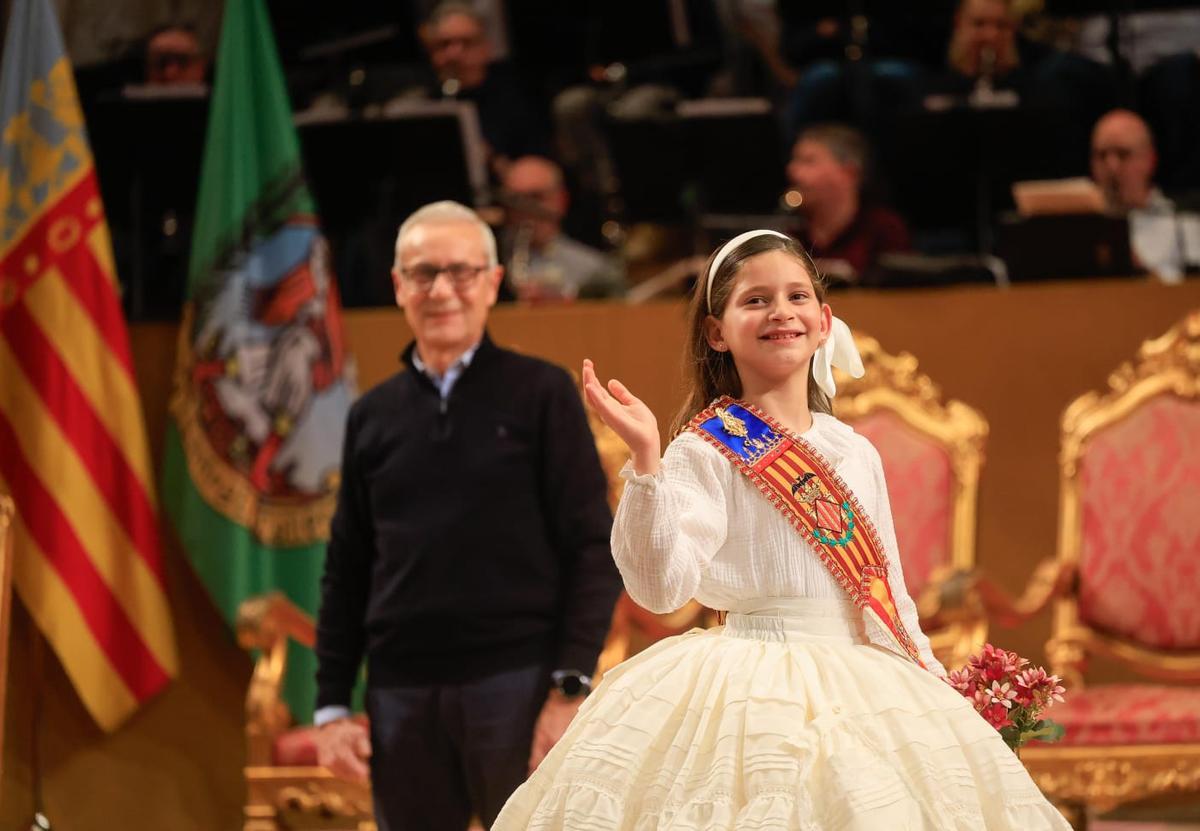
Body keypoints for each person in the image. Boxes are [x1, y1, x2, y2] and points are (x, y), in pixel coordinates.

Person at [494, 229, 1072, 829]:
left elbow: (886, 588)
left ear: (823, 321)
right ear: (717, 332)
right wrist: (647, 461)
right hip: (746, 687)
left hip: (862, 685)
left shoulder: (853, 451)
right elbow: (660, 590)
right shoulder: (706, 450)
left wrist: (932, 683)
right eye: (755, 300)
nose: (780, 312)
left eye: (797, 297)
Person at [313, 200, 622, 829]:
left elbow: (592, 545)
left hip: (519, 683)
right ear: (398, 287)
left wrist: (570, 687)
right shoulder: (372, 415)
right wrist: (330, 705)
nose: (442, 290)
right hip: (399, 692)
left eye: (460, 272)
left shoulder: (541, 394)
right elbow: (347, 565)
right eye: (423, 274)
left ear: (491, 283)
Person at [786, 124, 911, 286]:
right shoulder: (790, 234)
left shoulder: (885, 230)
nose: (793, 171)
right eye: (795, 161)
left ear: (849, 172)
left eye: (808, 161)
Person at [1090, 109, 1200, 283]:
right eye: (1101, 155)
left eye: (1123, 154)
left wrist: (1140, 269)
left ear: (1150, 160)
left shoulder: (1183, 223)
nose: (1112, 167)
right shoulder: (1083, 228)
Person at [501, 155, 625, 300]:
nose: (525, 209)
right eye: (515, 199)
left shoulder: (594, 271)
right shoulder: (487, 263)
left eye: (536, 197)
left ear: (561, 200)